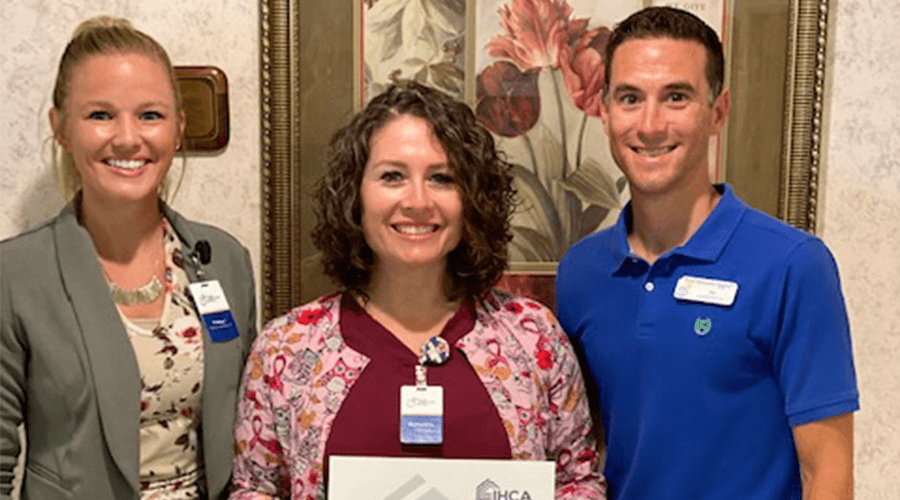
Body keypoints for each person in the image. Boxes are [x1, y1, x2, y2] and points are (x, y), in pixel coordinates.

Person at [230, 81, 604, 499]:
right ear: (355, 195)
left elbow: (577, 482)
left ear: (472, 198)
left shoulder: (533, 336)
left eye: (442, 178)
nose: (418, 201)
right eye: (392, 176)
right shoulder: (289, 347)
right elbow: (255, 489)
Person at [556, 6, 859, 500]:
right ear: (604, 111)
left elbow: (827, 472)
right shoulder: (581, 273)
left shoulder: (793, 265)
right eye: (630, 98)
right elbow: (586, 449)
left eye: (676, 97)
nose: (650, 124)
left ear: (718, 112)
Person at [0, 17, 256, 500]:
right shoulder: (15, 275)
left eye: (150, 115)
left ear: (178, 128)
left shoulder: (225, 261)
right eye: (100, 115)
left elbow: (246, 427)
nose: (127, 138)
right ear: (61, 128)